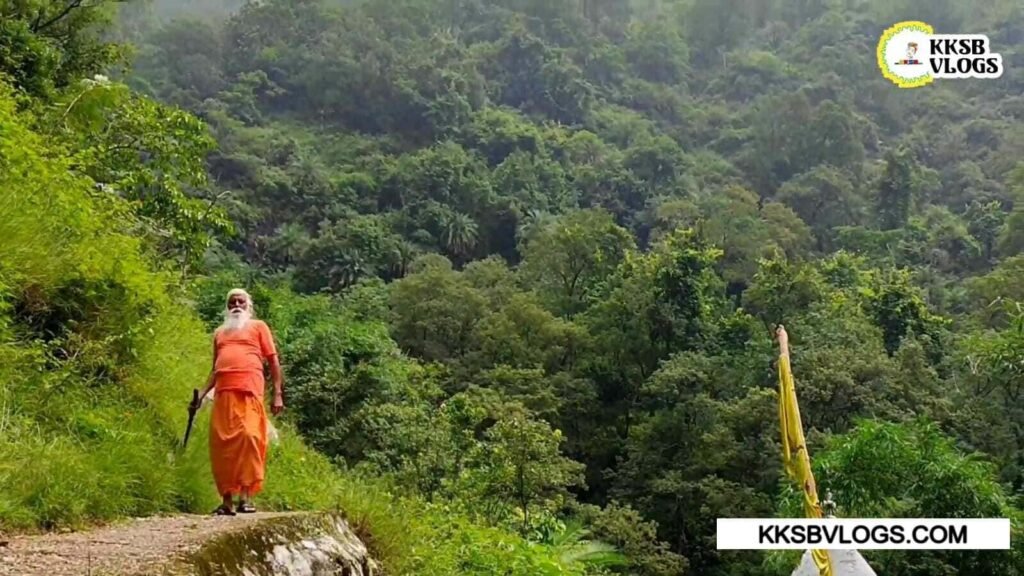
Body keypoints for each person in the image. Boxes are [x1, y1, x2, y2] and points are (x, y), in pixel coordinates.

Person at [193, 288, 284, 516]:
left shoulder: (258, 327)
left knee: (250, 437)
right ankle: (226, 501)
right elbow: (215, 369)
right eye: (232, 301)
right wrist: (201, 396)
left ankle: (245, 497)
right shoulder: (220, 333)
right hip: (224, 395)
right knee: (223, 445)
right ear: (227, 306)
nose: (236, 305)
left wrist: (278, 394)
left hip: (250, 392)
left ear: (248, 306)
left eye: (240, 301)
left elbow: (273, 362)